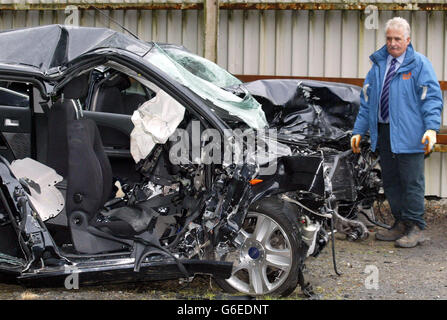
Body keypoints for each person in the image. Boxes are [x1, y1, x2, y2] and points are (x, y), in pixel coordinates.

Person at [351, 17, 443, 248]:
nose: (392, 43)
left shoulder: (420, 65)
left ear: (408, 40)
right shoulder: (378, 66)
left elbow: (431, 99)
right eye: (389, 38)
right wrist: (358, 131)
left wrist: (431, 129)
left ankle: (415, 226)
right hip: (384, 133)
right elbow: (367, 102)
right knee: (391, 181)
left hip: (411, 134)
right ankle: (401, 223)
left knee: (411, 182)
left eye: (397, 39)